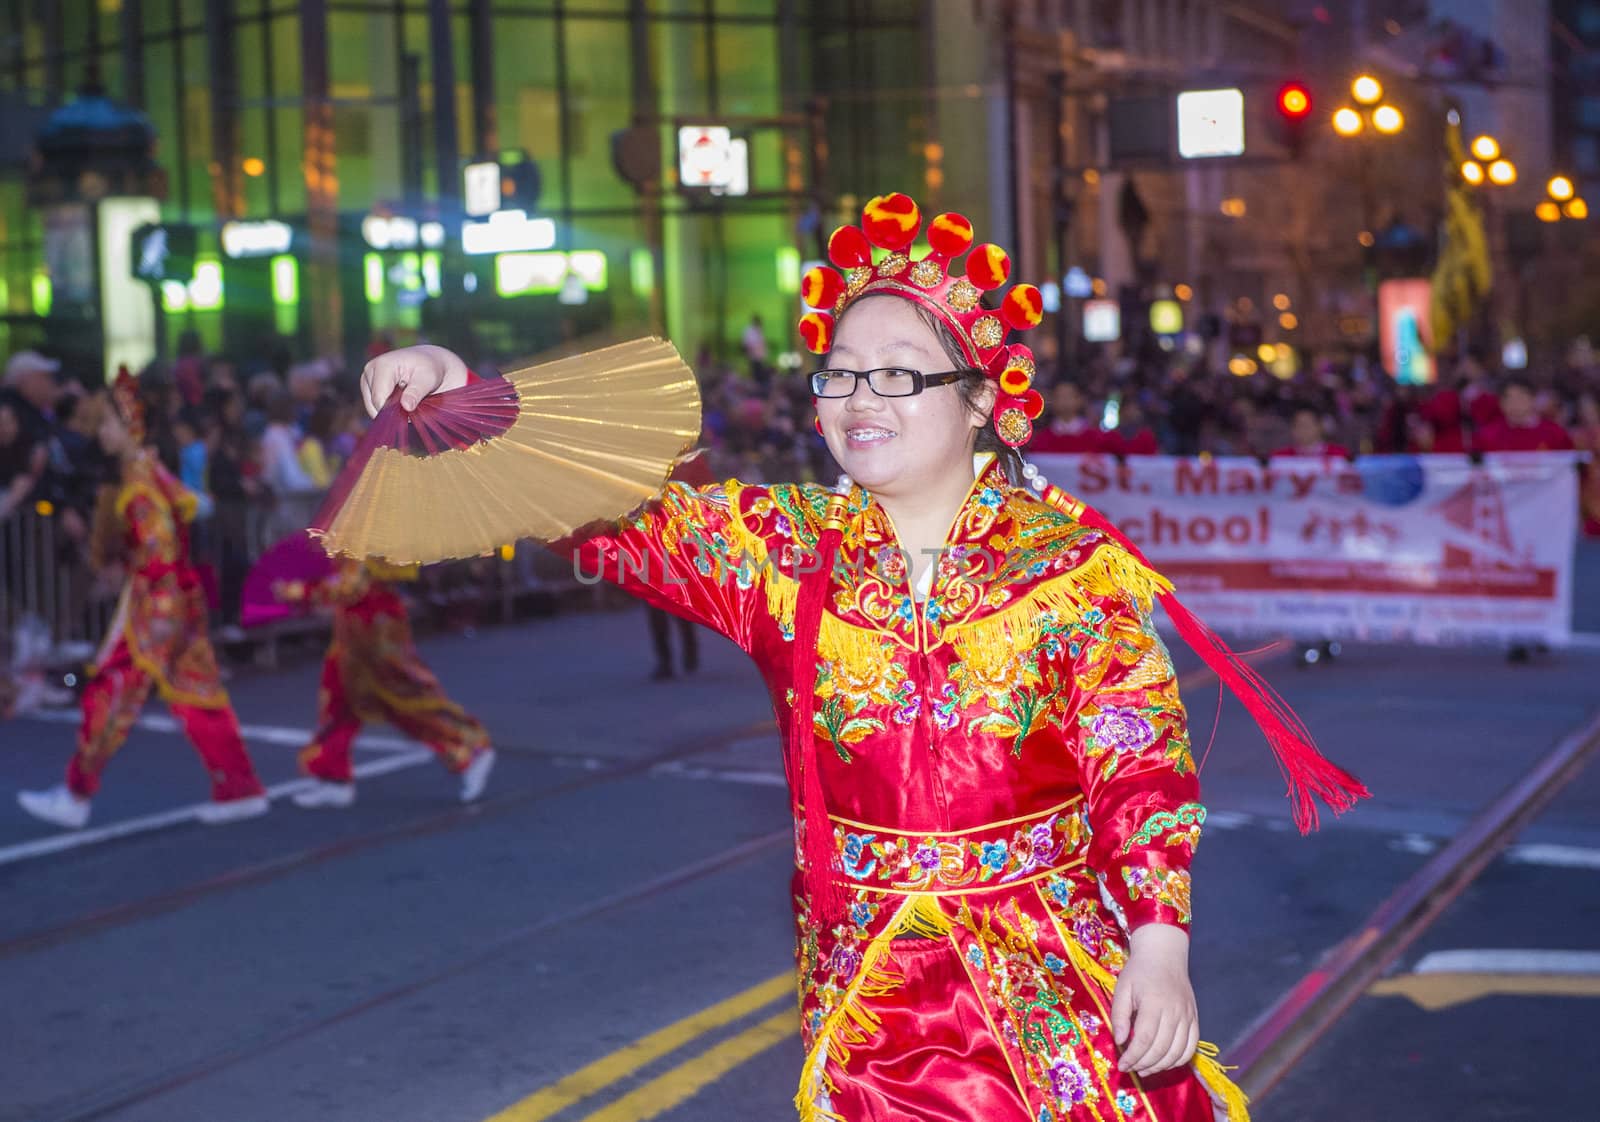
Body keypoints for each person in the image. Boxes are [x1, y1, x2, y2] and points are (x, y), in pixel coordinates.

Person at [358, 193, 1365, 1122]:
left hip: (1054, 999)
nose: (854, 397)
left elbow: (1137, 767)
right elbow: (617, 515)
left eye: (893, 372)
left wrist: (1157, 948)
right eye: (837, 372)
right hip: (871, 1015)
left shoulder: (1073, 574)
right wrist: (465, 396)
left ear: (980, 399)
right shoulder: (786, 556)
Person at [16, 372, 268, 830]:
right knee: (197, 694)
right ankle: (240, 787)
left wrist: (130, 569)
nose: (102, 433)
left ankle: (75, 793)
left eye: (109, 423)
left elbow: (160, 551)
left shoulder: (140, 483)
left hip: (154, 606)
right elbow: (195, 507)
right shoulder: (152, 471)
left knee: (108, 694)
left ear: (132, 427)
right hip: (181, 601)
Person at [277, 558, 496, 808]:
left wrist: (298, 591)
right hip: (355, 634)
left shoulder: (369, 531)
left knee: (404, 702)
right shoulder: (361, 528)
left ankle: (467, 746)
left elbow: (351, 587)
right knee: (339, 703)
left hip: (376, 636)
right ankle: (333, 778)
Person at [1473, 378, 1575, 452]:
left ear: (1533, 399)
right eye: (1509, 399)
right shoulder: (1487, 436)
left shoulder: (1555, 434)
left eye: (1520, 397)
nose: (1515, 403)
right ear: (1500, 403)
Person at [1030, 380, 1111, 453]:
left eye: (1069, 396)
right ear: (1053, 400)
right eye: (1060, 396)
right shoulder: (1041, 440)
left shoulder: (1095, 437)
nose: (1065, 400)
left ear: (1080, 400)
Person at [1270, 407, 1350, 459]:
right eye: (1298, 425)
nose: (1302, 430)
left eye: (1306, 425)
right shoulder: (1280, 456)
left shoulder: (1339, 454)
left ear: (1320, 427)